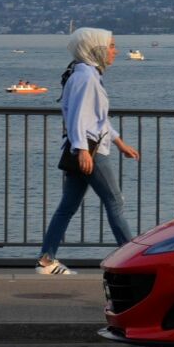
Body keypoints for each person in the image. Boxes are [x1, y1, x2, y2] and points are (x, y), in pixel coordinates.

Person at [36, 28, 141, 275]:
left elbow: (97, 119)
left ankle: (46, 259)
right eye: (112, 46)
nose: (115, 51)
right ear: (97, 49)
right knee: (115, 202)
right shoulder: (87, 78)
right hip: (92, 151)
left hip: (82, 148)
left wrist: (119, 142)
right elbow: (78, 118)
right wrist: (82, 149)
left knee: (67, 206)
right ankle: (133, 259)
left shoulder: (84, 74)